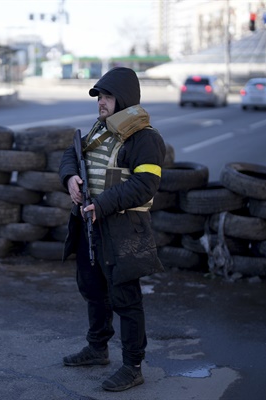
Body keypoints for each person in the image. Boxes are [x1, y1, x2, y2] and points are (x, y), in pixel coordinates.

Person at [58, 67, 166, 392]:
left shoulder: (146, 138)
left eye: (106, 97)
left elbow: (145, 184)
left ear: (124, 99)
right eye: (99, 97)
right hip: (90, 224)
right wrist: (70, 179)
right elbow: (70, 155)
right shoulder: (99, 129)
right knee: (93, 289)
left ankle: (133, 366)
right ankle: (97, 348)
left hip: (123, 229)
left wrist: (103, 205)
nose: (101, 103)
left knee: (125, 299)